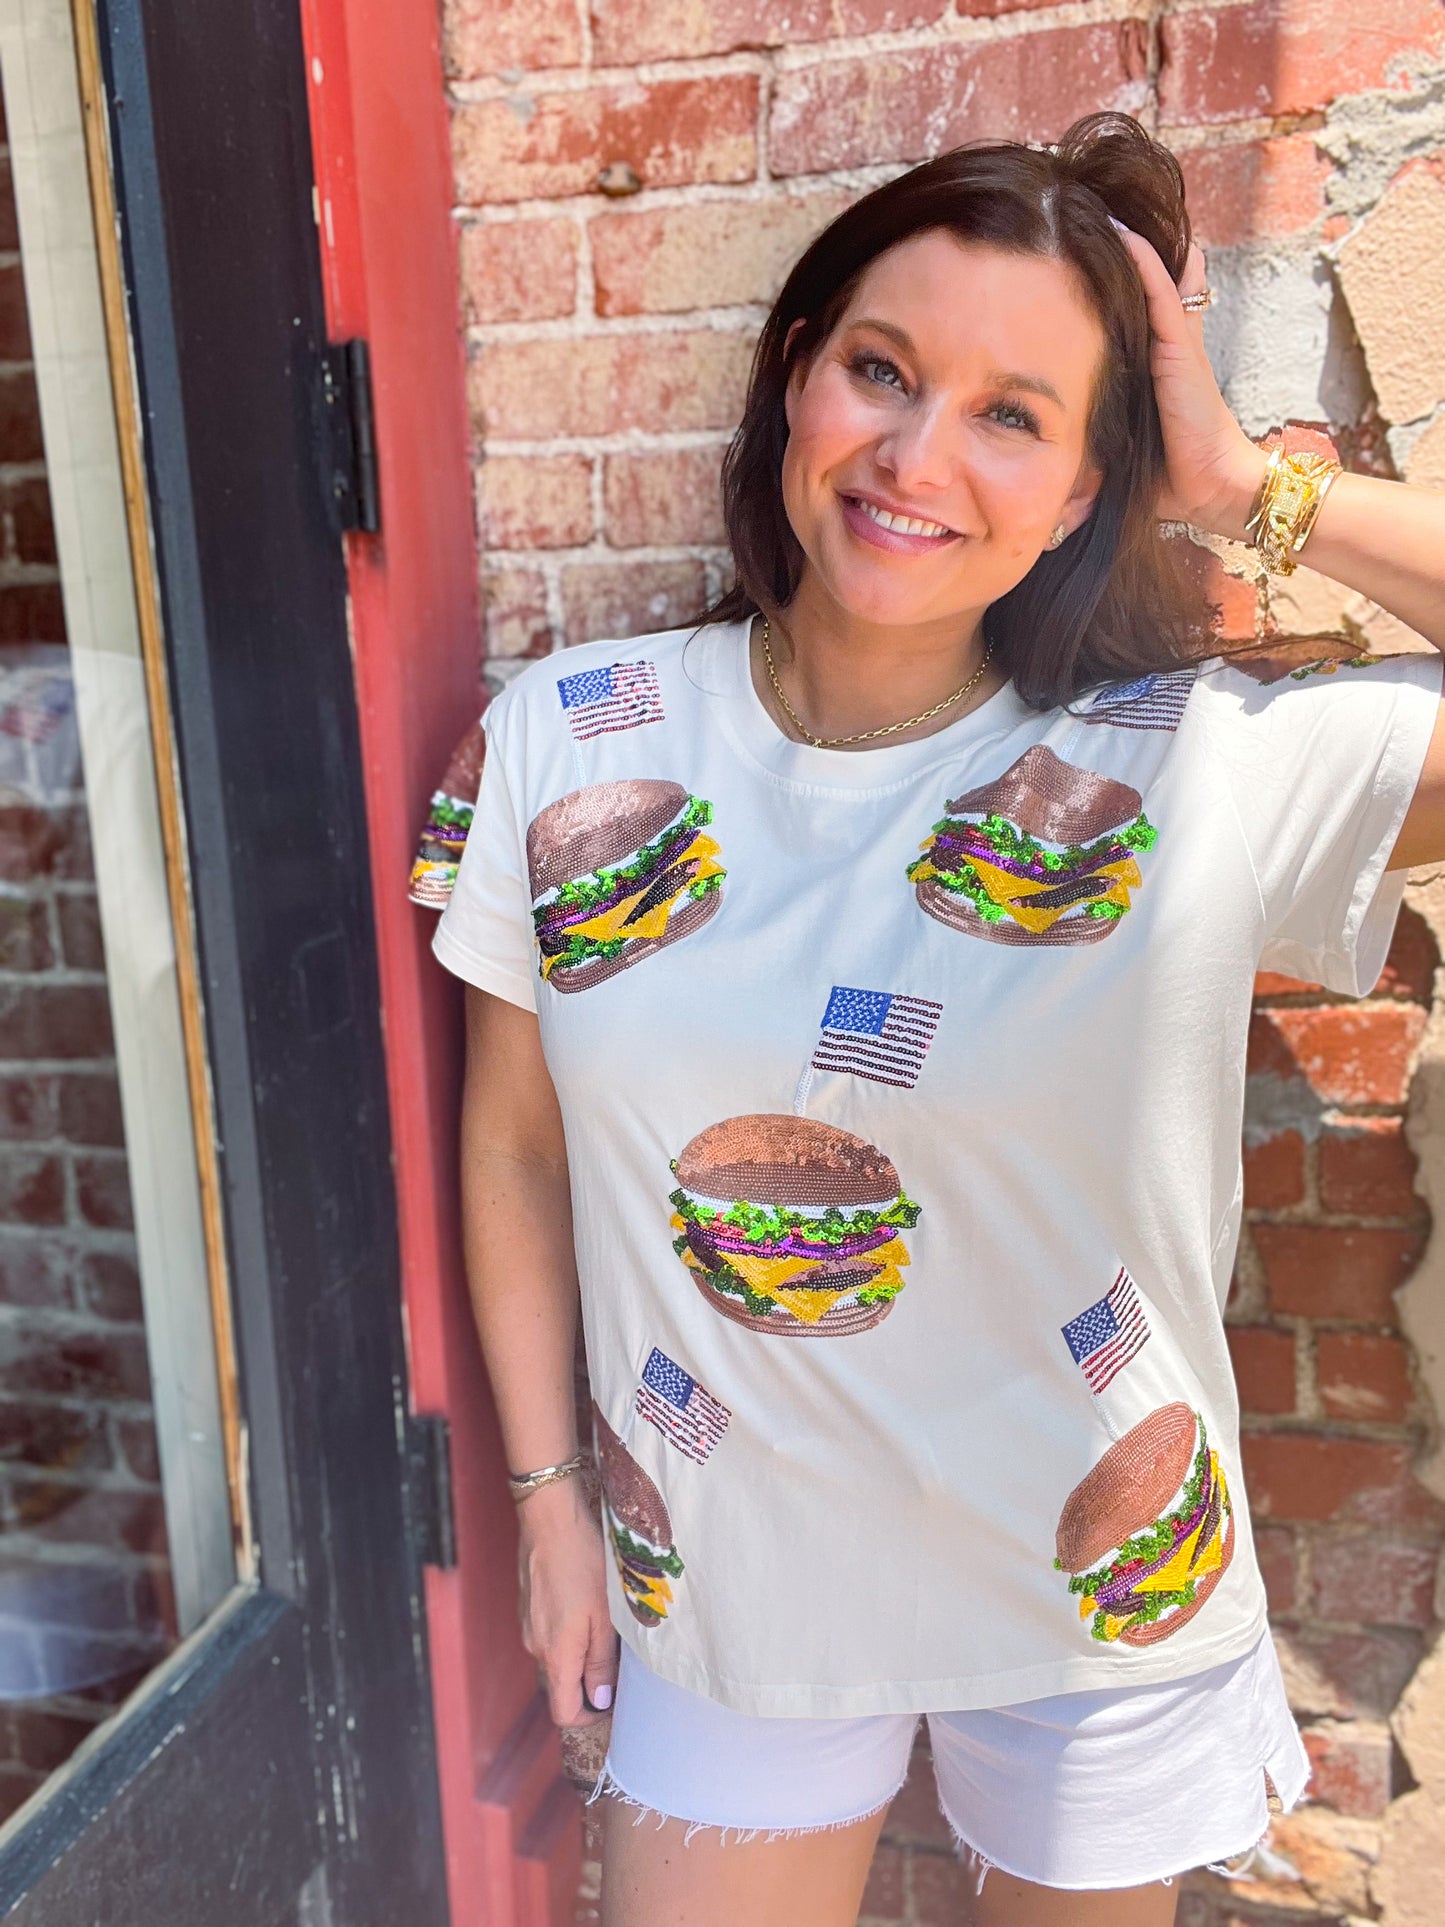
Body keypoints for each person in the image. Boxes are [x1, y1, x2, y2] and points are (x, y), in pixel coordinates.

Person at [424, 114, 1445, 1925]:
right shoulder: (568, 739)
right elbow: (511, 1136)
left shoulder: (1191, 767)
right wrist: (544, 1492)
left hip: (1093, 1605)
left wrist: (1233, 483)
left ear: (1084, 488)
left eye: (1014, 415)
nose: (913, 456)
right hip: (723, 1576)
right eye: (881, 370)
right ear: (793, 377)